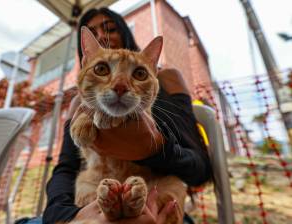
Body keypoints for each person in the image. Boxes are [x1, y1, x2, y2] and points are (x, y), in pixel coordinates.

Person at [18, 7, 212, 224]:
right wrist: (66, 217)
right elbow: (66, 169)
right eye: (102, 68)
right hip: (91, 204)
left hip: (158, 198)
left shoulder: (168, 78)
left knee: (173, 187)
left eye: (109, 29)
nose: (119, 86)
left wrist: (155, 148)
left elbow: (200, 170)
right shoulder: (78, 103)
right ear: (86, 60)